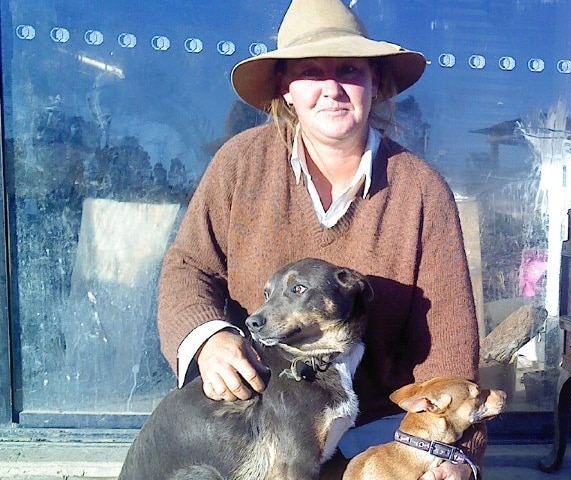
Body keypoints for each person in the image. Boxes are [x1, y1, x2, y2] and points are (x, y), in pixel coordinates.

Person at [157, 0, 484, 478]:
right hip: (263, 428)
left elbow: (450, 348)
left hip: (379, 433)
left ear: (375, 84)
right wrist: (209, 340)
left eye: (349, 70)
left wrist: (459, 456)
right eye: (311, 72)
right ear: (287, 90)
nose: (331, 89)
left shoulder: (421, 190)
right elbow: (188, 266)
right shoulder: (240, 165)